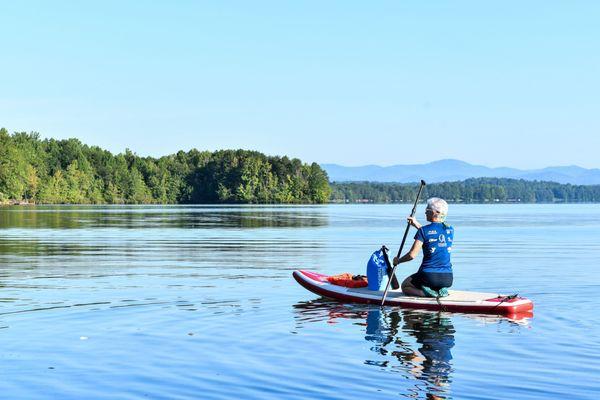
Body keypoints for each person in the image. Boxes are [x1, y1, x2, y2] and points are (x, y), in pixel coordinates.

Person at [393, 197, 454, 297]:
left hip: (428, 276)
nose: (425, 212)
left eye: (427, 210)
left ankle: (424, 293)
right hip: (448, 278)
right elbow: (432, 234)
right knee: (434, 282)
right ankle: (439, 289)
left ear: (436, 213)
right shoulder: (450, 230)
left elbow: (411, 255)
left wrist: (398, 261)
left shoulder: (423, 231)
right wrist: (416, 224)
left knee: (405, 286)